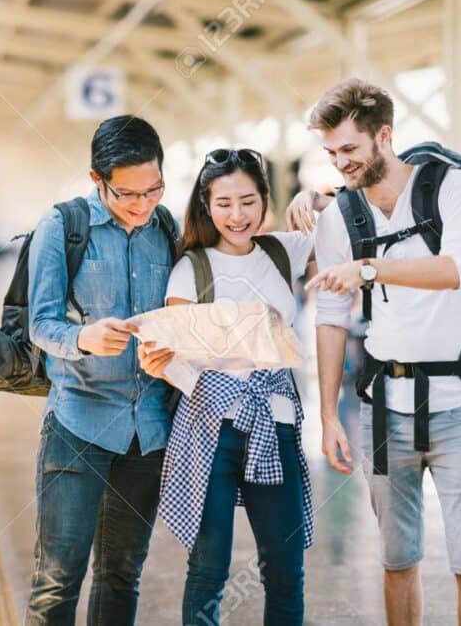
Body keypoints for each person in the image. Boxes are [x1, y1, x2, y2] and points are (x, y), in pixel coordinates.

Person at [299, 78, 461, 626]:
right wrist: (327, 416)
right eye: (332, 152)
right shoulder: (339, 216)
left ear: (383, 136)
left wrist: (369, 269)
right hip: (385, 411)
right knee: (397, 559)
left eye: (350, 150)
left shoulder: (451, 187)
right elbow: (332, 317)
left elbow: (460, 269)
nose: (341, 163)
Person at [138, 148, 315, 626]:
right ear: (205, 205)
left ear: (264, 200)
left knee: (285, 568)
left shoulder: (285, 251)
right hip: (210, 430)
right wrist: (201, 380)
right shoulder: (191, 269)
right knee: (208, 568)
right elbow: (168, 356)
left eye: (247, 201)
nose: (237, 215)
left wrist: (312, 195)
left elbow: (344, 217)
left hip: (275, 426)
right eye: (224, 203)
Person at [25, 115, 178, 625]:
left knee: (121, 576)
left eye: (153, 190)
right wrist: (82, 339)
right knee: (57, 581)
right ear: (97, 180)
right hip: (77, 424)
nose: (142, 205)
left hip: (148, 432)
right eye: (127, 194)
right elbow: (40, 324)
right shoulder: (62, 227)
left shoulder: (169, 229)